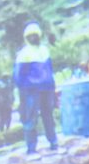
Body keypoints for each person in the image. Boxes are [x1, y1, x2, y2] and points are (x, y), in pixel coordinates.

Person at [12, 27, 58, 156]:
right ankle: (31, 149)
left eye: (35, 35)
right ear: (27, 38)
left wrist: (52, 85)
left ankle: (54, 143)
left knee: (48, 116)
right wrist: (26, 88)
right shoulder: (23, 54)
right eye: (30, 35)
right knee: (30, 119)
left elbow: (50, 69)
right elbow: (18, 75)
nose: (34, 37)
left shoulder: (44, 50)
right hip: (31, 91)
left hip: (47, 89)